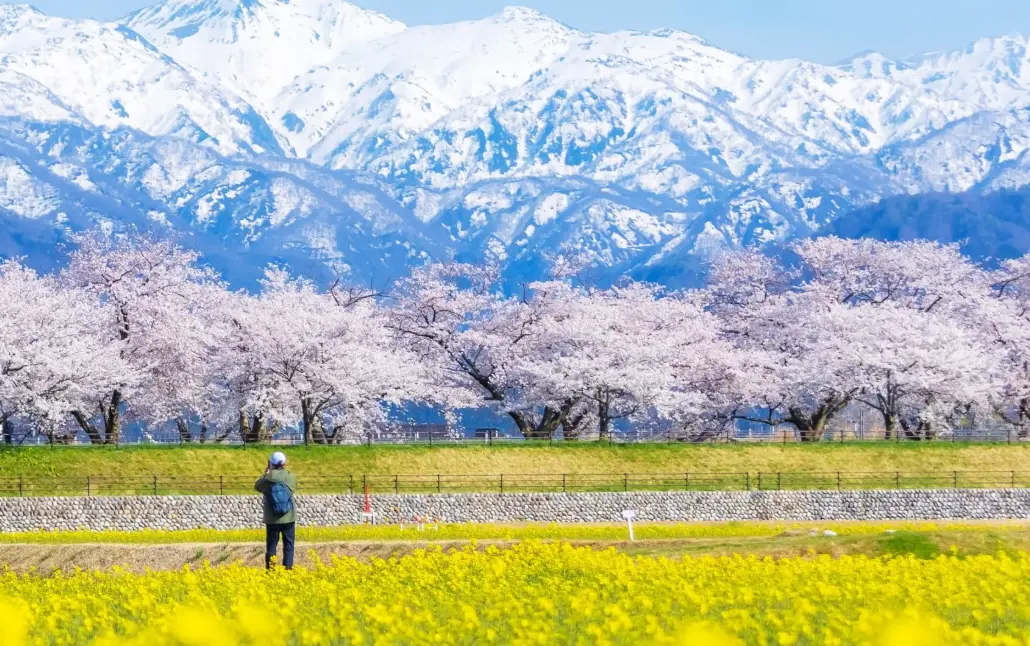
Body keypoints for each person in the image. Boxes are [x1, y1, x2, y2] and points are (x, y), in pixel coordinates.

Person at [254, 451, 297, 570]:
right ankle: (288, 570)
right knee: (289, 545)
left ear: (270, 463)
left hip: (272, 518)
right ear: (284, 463)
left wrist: (266, 473)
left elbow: (257, 486)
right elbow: (292, 489)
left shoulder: (267, 480)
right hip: (289, 517)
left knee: (272, 546)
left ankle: (271, 571)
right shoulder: (290, 477)